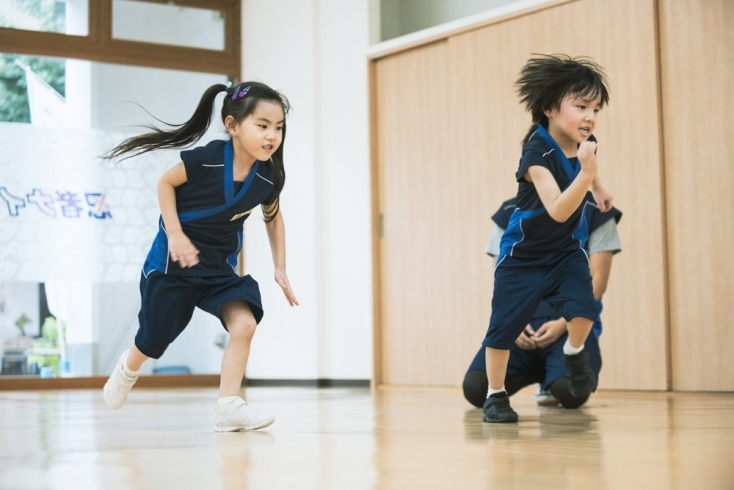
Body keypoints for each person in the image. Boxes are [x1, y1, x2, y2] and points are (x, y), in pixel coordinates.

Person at [101, 81, 298, 432]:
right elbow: (165, 183)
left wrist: (279, 267)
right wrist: (174, 235)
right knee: (153, 340)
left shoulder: (268, 177)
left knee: (245, 324)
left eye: (279, 127)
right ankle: (127, 369)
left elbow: (273, 216)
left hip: (217, 271)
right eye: (262, 125)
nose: (272, 135)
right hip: (171, 267)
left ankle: (228, 406)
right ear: (232, 125)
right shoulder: (206, 159)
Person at [482, 54, 612, 423]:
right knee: (502, 329)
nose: (590, 116)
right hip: (524, 256)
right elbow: (557, 208)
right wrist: (588, 177)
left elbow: (589, 165)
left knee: (584, 311)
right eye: (581, 106)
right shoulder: (536, 152)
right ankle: (495, 396)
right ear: (551, 109)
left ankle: (573, 352)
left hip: (565, 253)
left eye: (595, 108)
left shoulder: (586, 140)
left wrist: (599, 187)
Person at [464, 195, 621, 409]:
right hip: (523, 326)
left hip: (568, 326)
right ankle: (544, 373)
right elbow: (503, 279)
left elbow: (598, 279)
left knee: (572, 392)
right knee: (475, 388)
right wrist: (511, 323)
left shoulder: (596, 210)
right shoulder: (510, 211)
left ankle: (554, 376)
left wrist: (564, 324)